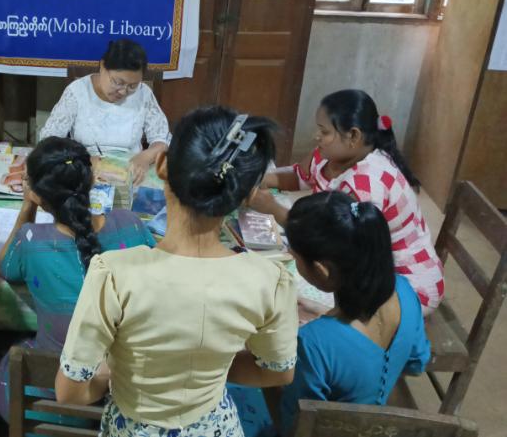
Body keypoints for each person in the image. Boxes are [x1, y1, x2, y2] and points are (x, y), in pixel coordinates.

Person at [55, 107, 299, 436]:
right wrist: (209, 368)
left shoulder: (114, 275)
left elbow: (69, 392)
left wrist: (117, 374)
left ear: (161, 165)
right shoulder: (270, 280)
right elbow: (278, 372)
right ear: (246, 194)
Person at [0, 137, 157, 422]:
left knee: (0, 348)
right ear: (92, 180)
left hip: (55, 396)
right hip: (126, 394)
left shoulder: (31, 241)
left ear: (38, 196)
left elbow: (6, 266)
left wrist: (27, 206)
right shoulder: (130, 225)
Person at [251, 89, 444, 314]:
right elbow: (299, 176)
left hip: (407, 286)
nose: (316, 136)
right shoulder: (330, 155)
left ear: (353, 136)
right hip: (363, 262)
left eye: (324, 132)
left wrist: (272, 208)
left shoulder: (364, 185)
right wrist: (259, 178)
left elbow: (326, 239)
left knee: (289, 290)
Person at [276, 191, 431, 434]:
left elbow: (295, 426)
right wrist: (327, 316)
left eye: (296, 258)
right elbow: (417, 361)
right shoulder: (405, 291)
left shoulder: (312, 343)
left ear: (322, 270)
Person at [39, 39, 170, 185]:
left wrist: (146, 157)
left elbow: (162, 139)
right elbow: (49, 140)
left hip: (131, 175)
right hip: (86, 172)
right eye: (118, 82)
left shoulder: (143, 94)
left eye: (132, 86)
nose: (123, 91)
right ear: (102, 66)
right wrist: (81, 159)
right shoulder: (77, 92)